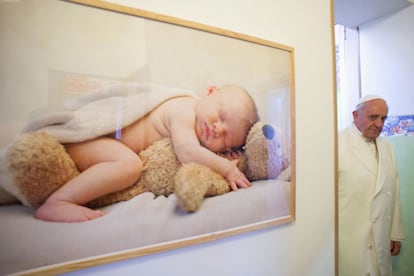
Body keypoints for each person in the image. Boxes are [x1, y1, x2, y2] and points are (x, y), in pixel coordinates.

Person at [35, 84, 259, 223]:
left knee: (126, 164)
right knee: (129, 166)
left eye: (226, 139)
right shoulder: (184, 109)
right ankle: (59, 202)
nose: (218, 128)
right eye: (220, 114)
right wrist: (227, 168)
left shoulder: (199, 121)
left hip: (101, 147)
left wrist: (229, 157)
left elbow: (202, 151)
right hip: (89, 140)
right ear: (210, 92)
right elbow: (189, 152)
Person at [338, 95, 405, 276]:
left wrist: (395, 233)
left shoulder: (387, 147)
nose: (379, 124)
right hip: (350, 240)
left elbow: (393, 191)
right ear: (355, 115)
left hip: (381, 236)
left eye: (383, 118)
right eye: (373, 117)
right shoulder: (337, 144)